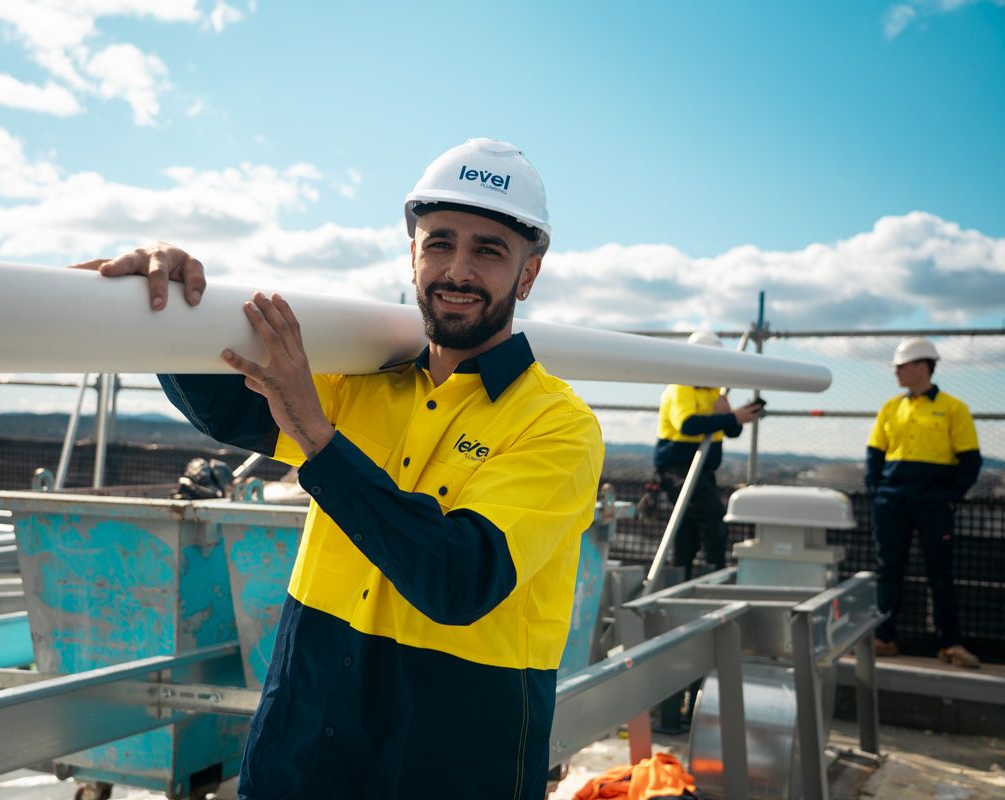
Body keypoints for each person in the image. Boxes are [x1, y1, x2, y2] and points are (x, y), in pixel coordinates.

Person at [74, 138, 604, 799]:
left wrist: (321, 441)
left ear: (529, 273)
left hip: (445, 765)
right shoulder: (365, 385)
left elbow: (459, 577)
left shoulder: (558, 426)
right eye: (439, 242)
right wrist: (170, 303)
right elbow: (227, 403)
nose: (457, 270)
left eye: (488, 250)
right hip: (301, 752)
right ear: (412, 252)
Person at [866, 336, 982, 669]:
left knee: (940, 572)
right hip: (892, 500)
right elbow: (875, 452)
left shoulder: (953, 408)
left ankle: (949, 643)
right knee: (889, 569)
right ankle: (884, 637)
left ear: (921, 366)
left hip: (933, 503)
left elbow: (970, 459)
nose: (897, 373)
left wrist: (948, 498)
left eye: (901, 367)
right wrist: (878, 491)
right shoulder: (891, 407)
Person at [652, 330, 762, 580]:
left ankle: (682, 576)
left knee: (688, 530)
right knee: (712, 519)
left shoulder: (714, 392)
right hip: (678, 469)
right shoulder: (680, 388)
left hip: (703, 470)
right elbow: (688, 425)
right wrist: (730, 416)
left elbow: (730, 430)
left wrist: (735, 416)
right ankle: (715, 574)